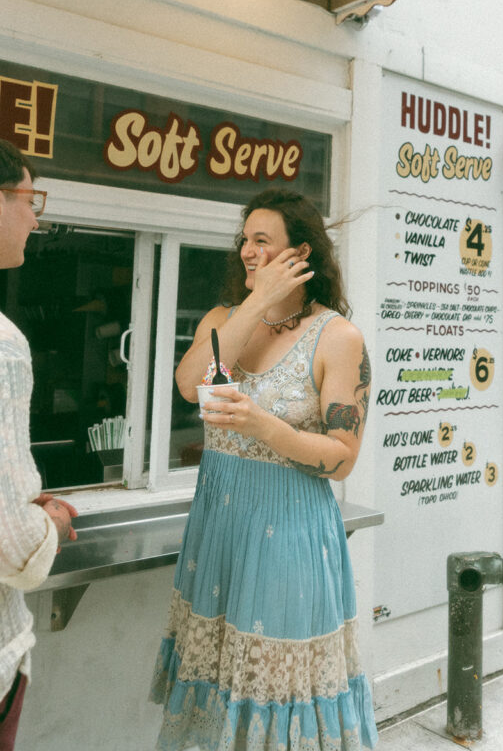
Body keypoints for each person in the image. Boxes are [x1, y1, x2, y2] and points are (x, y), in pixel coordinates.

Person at [151, 188, 378, 751]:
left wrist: (265, 428)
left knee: (272, 693)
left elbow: (343, 457)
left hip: (289, 536)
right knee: (217, 686)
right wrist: (256, 302)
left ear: (299, 255)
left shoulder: (338, 337)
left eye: (263, 241)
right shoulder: (224, 320)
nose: (249, 251)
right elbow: (188, 384)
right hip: (218, 530)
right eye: (244, 240)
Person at [0, 139, 77, 751]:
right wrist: (46, 517)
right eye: (29, 199)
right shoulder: (4, 347)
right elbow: (13, 541)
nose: (35, 217)